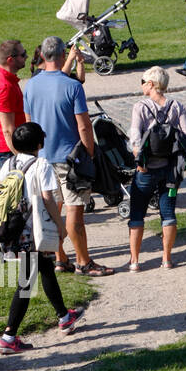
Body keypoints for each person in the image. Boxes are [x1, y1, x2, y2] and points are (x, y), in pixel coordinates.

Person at [0, 123, 85, 354]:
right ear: (39, 144)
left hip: (13, 230)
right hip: (32, 232)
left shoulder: (8, 164)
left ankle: (64, 316)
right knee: (26, 283)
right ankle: (9, 336)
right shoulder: (41, 164)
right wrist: (60, 225)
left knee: (46, 267)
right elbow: (48, 198)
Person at [23, 36, 111, 277]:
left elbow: (29, 124)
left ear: (43, 56)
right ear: (63, 55)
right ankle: (84, 262)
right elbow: (83, 126)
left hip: (42, 158)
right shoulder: (72, 86)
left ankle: (61, 259)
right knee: (75, 210)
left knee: (54, 210)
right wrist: (90, 154)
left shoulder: (30, 85)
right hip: (70, 159)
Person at [126, 67, 186, 271]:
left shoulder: (141, 107)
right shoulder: (176, 106)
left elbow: (135, 138)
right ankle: (167, 258)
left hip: (146, 170)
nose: (141, 84)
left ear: (151, 84)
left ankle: (135, 261)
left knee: (137, 213)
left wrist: (140, 160)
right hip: (170, 170)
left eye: (143, 80)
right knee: (168, 213)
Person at [0, 40, 28, 166]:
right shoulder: (3, 86)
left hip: (4, 147)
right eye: (23, 54)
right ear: (10, 60)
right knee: (15, 185)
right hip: (8, 150)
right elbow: (8, 130)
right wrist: (21, 159)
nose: (26, 57)